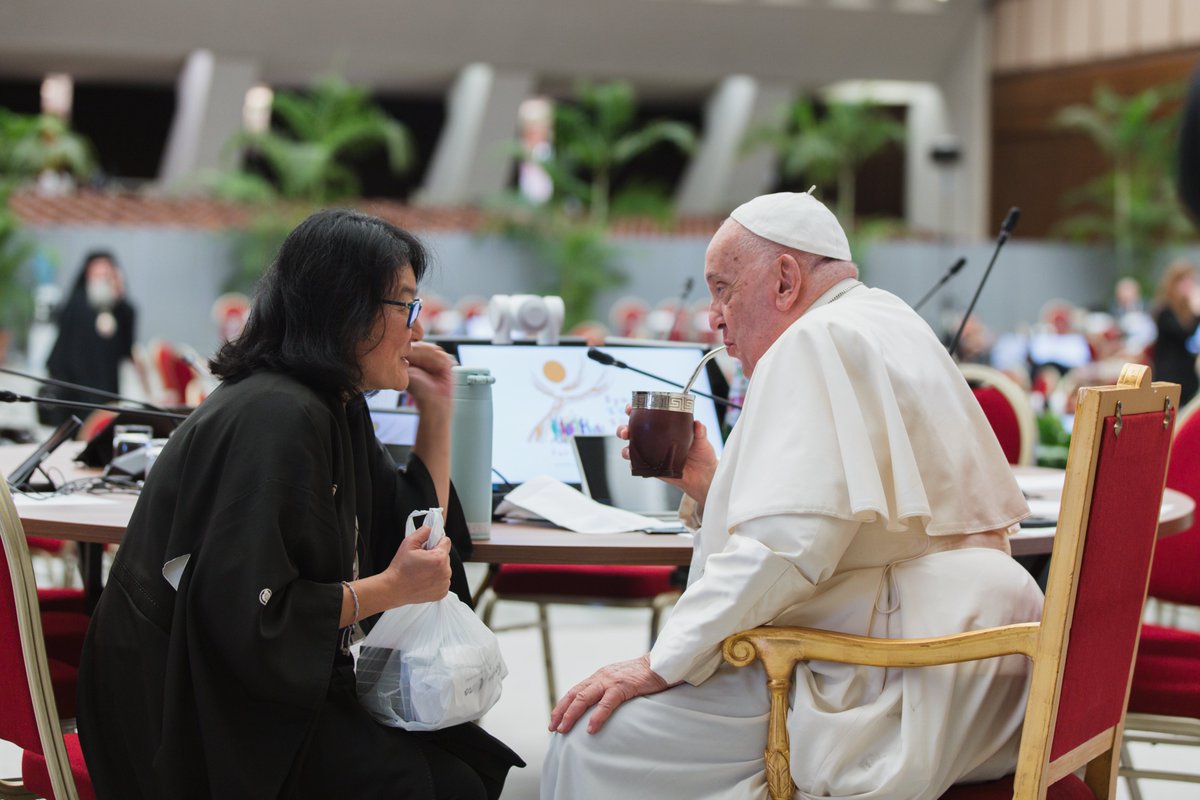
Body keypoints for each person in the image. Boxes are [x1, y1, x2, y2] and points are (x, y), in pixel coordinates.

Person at [541, 191, 1044, 800]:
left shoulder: (811, 341)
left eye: (723, 288)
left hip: (878, 680)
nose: (714, 317)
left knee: (591, 739)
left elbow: (785, 549)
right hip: (972, 665)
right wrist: (714, 483)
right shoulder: (887, 318)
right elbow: (855, 526)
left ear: (784, 280)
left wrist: (657, 662)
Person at [78, 210, 523, 800]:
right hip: (184, 709)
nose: (418, 330)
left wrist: (437, 411)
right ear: (347, 308)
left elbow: (414, 530)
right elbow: (248, 614)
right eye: (407, 307)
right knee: (443, 784)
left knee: (464, 760)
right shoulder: (277, 416)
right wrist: (390, 588)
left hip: (246, 682)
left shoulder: (333, 403)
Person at [42, 250, 147, 424]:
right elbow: (63, 345)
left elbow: (125, 346)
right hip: (76, 382)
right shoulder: (76, 304)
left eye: (106, 274)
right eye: (96, 274)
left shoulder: (121, 308)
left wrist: (118, 300)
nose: (101, 279)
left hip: (106, 380)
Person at [1150, 259, 1200, 405]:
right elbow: (1184, 333)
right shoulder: (1165, 310)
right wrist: (1197, 313)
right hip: (1170, 376)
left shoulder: (1186, 310)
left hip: (1187, 375)